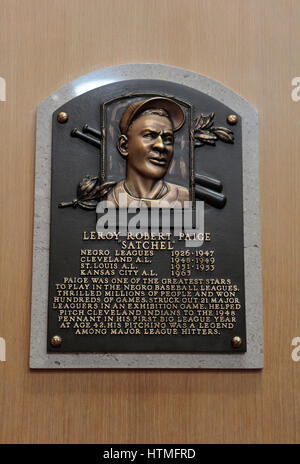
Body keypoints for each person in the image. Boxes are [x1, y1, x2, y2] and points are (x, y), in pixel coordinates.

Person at [104, 96, 189, 208]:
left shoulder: (184, 198)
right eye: (150, 135)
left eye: (168, 139)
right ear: (124, 146)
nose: (161, 145)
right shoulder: (108, 199)